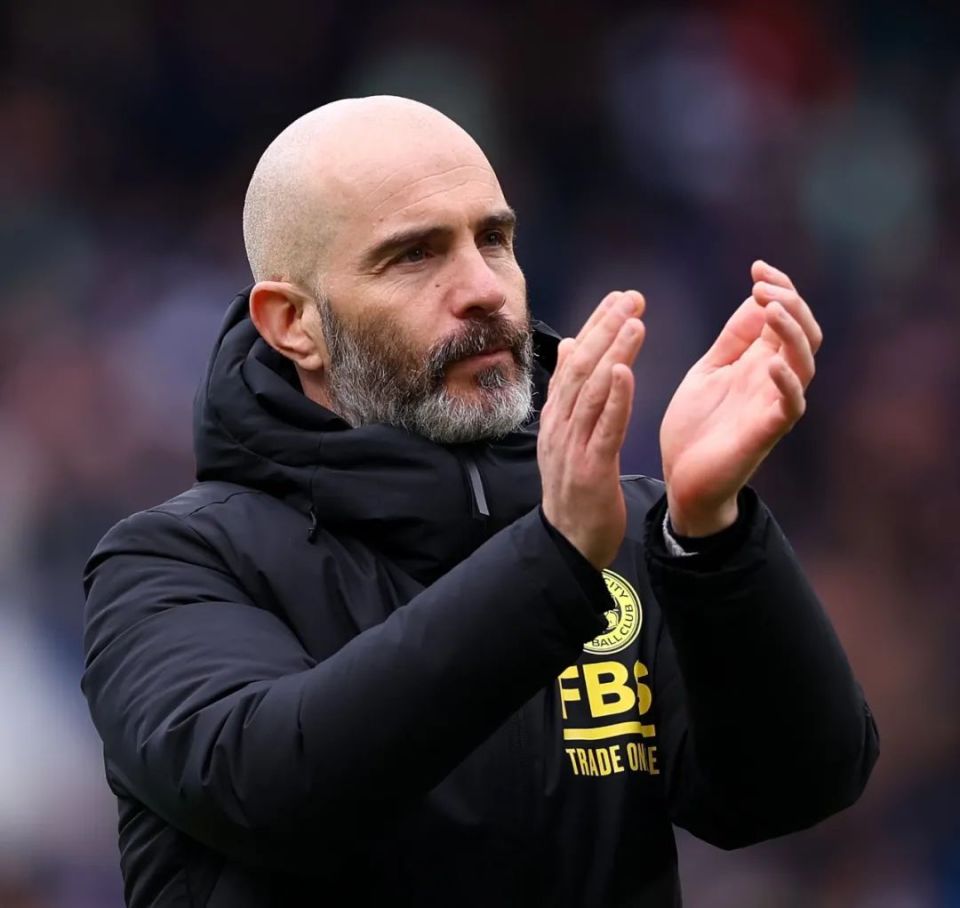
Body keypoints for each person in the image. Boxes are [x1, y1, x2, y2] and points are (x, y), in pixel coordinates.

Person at [81, 96, 878, 908]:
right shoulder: (172, 563)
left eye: (493, 240)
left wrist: (711, 535)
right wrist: (555, 558)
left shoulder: (624, 529)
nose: (483, 289)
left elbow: (795, 790)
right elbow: (275, 786)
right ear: (294, 324)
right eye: (414, 256)